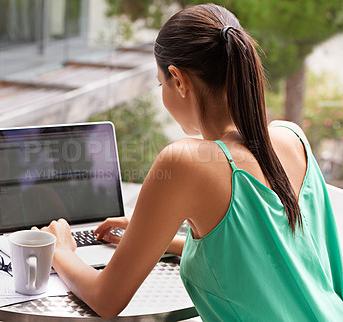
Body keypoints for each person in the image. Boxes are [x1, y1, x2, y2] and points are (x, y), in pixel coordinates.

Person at [33, 3, 343, 320]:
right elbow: (272, 254)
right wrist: (157, 237)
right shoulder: (293, 138)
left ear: (179, 80)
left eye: (160, 83)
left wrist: (60, 251)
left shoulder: (186, 160)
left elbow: (106, 299)